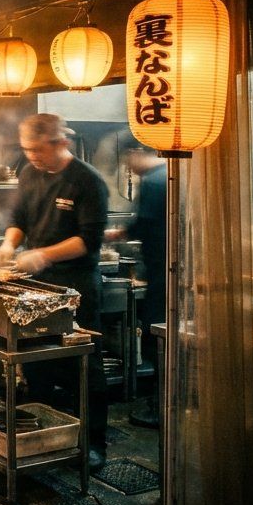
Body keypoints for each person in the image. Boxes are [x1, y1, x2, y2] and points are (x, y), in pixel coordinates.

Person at [0, 113, 110, 472]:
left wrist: (43, 255)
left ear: (61, 143)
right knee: (38, 366)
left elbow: (88, 240)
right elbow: (19, 220)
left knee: (82, 367)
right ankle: (46, 438)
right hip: (37, 287)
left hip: (76, 286)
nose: (31, 157)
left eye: (37, 150)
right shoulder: (30, 174)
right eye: (26, 150)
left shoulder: (87, 182)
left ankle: (92, 445)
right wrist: (8, 245)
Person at [116, 145, 166, 428]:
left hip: (161, 273)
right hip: (170, 271)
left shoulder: (155, 182)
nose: (130, 168)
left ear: (138, 154)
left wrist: (119, 232)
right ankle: (165, 402)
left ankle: (159, 406)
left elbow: (144, 225)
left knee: (154, 336)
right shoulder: (166, 176)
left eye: (129, 161)